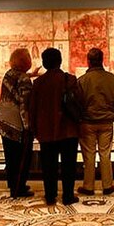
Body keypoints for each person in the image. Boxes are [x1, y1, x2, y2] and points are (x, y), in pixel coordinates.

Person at [29, 48, 80, 206]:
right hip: (68, 130)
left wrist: (34, 129)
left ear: (44, 63)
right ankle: (68, 196)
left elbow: (33, 108)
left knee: (48, 166)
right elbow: (78, 102)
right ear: (60, 61)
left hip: (46, 131)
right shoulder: (70, 80)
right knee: (68, 166)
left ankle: (50, 196)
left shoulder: (38, 83)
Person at [77, 48, 114, 196]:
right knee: (105, 153)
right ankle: (107, 185)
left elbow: (77, 103)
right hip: (106, 122)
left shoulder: (82, 81)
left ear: (89, 61)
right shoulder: (113, 79)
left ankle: (88, 186)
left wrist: (81, 117)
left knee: (89, 154)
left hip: (87, 122)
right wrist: (113, 116)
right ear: (102, 60)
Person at [0, 48, 35, 198]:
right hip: (17, 124)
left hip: (3, 121)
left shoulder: (9, 74)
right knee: (22, 158)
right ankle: (19, 188)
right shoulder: (24, 79)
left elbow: (16, 82)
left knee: (10, 157)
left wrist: (31, 75)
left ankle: (12, 184)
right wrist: (28, 127)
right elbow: (24, 104)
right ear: (26, 61)